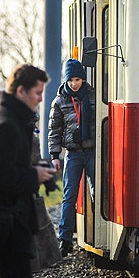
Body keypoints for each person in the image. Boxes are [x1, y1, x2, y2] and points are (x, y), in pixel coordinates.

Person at [0, 64, 56, 278]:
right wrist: (35, 175)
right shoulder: (6, 125)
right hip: (6, 230)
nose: (41, 99)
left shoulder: (3, 120)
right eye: (37, 93)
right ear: (21, 92)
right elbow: (0, 178)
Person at [48, 58, 95, 258]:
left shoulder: (93, 96)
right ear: (66, 81)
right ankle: (65, 239)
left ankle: (97, 230)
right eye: (71, 80)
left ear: (83, 79)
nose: (75, 83)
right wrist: (55, 155)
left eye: (78, 79)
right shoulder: (60, 101)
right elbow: (54, 130)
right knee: (69, 197)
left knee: (97, 192)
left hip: (93, 152)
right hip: (73, 154)